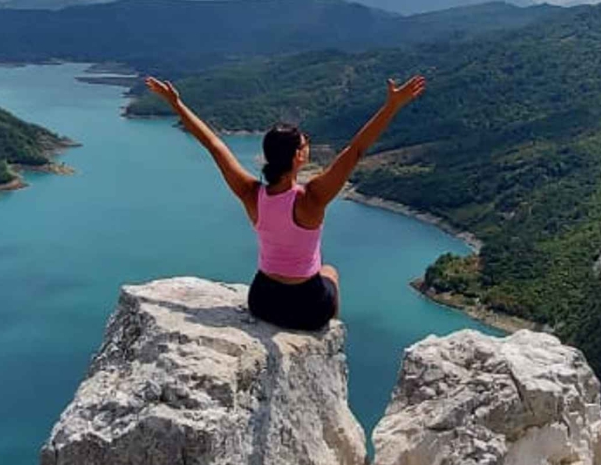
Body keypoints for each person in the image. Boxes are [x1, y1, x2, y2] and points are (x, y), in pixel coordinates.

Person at [145, 74, 427, 332]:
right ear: (297, 158)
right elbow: (355, 150)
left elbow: (214, 145)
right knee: (330, 272)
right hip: (308, 306)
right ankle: (327, 336)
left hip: (263, 300)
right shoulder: (311, 197)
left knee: (313, 273)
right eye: (305, 146)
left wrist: (177, 103)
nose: (308, 147)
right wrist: (393, 105)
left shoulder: (251, 193)